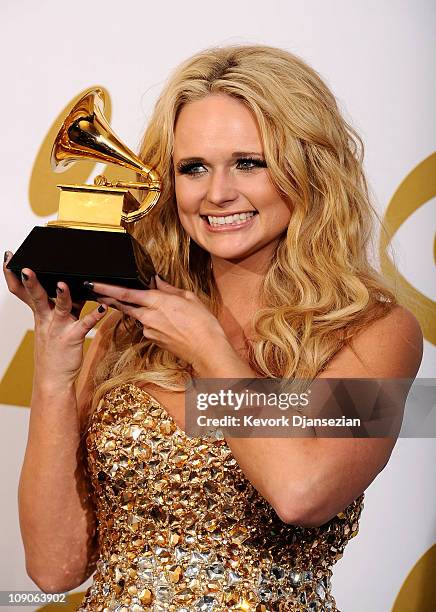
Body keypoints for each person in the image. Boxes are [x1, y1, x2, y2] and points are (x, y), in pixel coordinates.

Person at [4, 45, 423, 611]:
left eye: (250, 162)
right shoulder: (124, 333)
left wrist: (209, 347)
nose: (217, 193)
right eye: (193, 167)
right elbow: (54, 569)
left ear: (309, 170)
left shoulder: (375, 332)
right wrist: (53, 373)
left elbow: (301, 493)